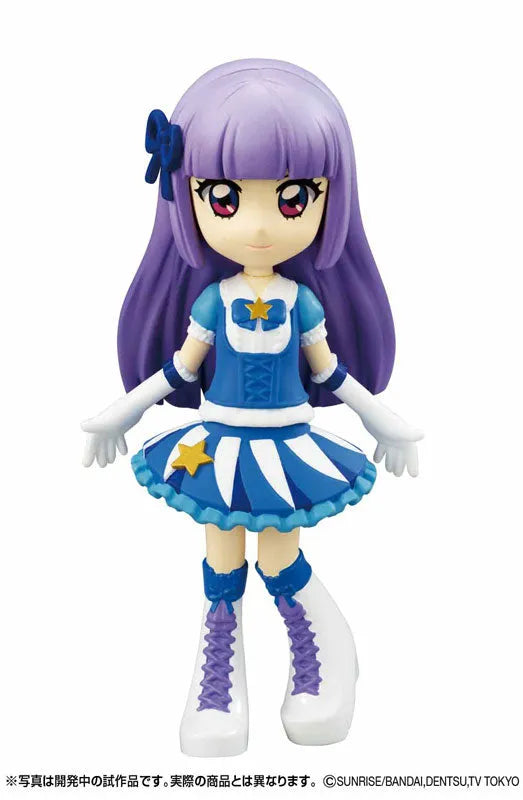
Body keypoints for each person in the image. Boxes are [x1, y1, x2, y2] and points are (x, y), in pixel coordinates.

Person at [82, 59, 423, 757]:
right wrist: (123, 411)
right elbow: (180, 369)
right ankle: (218, 670)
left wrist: (380, 417)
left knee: (279, 554)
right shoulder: (213, 302)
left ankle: (320, 648)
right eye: (225, 197)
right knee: (220, 554)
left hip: (286, 445)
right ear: (187, 196)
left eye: (293, 198)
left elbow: (330, 371)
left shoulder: (303, 303)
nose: (260, 225)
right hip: (218, 444)